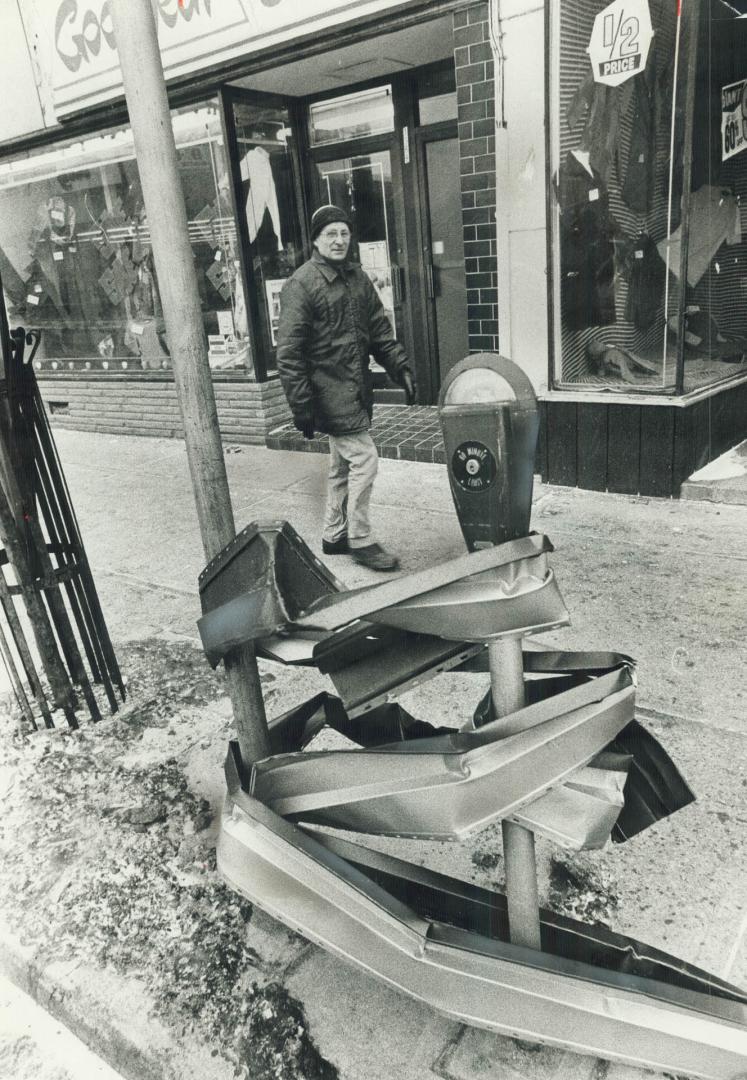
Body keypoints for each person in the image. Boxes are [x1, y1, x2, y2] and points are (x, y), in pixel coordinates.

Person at [276, 204, 416, 572]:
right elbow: (289, 353)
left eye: (343, 233)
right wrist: (301, 405)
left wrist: (398, 366)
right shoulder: (302, 284)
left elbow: (380, 332)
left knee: (342, 466)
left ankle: (335, 533)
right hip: (327, 393)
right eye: (330, 234)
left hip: (353, 389)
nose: (338, 240)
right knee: (365, 460)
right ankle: (361, 539)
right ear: (316, 240)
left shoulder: (357, 278)